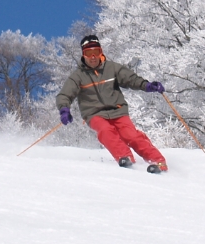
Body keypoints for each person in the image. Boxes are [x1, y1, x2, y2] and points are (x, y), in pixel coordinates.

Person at [56, 35, 170, 173]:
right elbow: (65, 94)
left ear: (101, 52)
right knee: (105, 130)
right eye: (88, 53)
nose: (92, 57)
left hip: (118, 110)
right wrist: (64, 109)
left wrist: (147, 86)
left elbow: (131, 79)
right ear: (83, 55)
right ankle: (125, 157)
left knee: (131, 135)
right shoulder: (78, 76)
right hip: (94, 114)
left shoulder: (112, 68)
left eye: (96, 52)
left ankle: (158, 161)